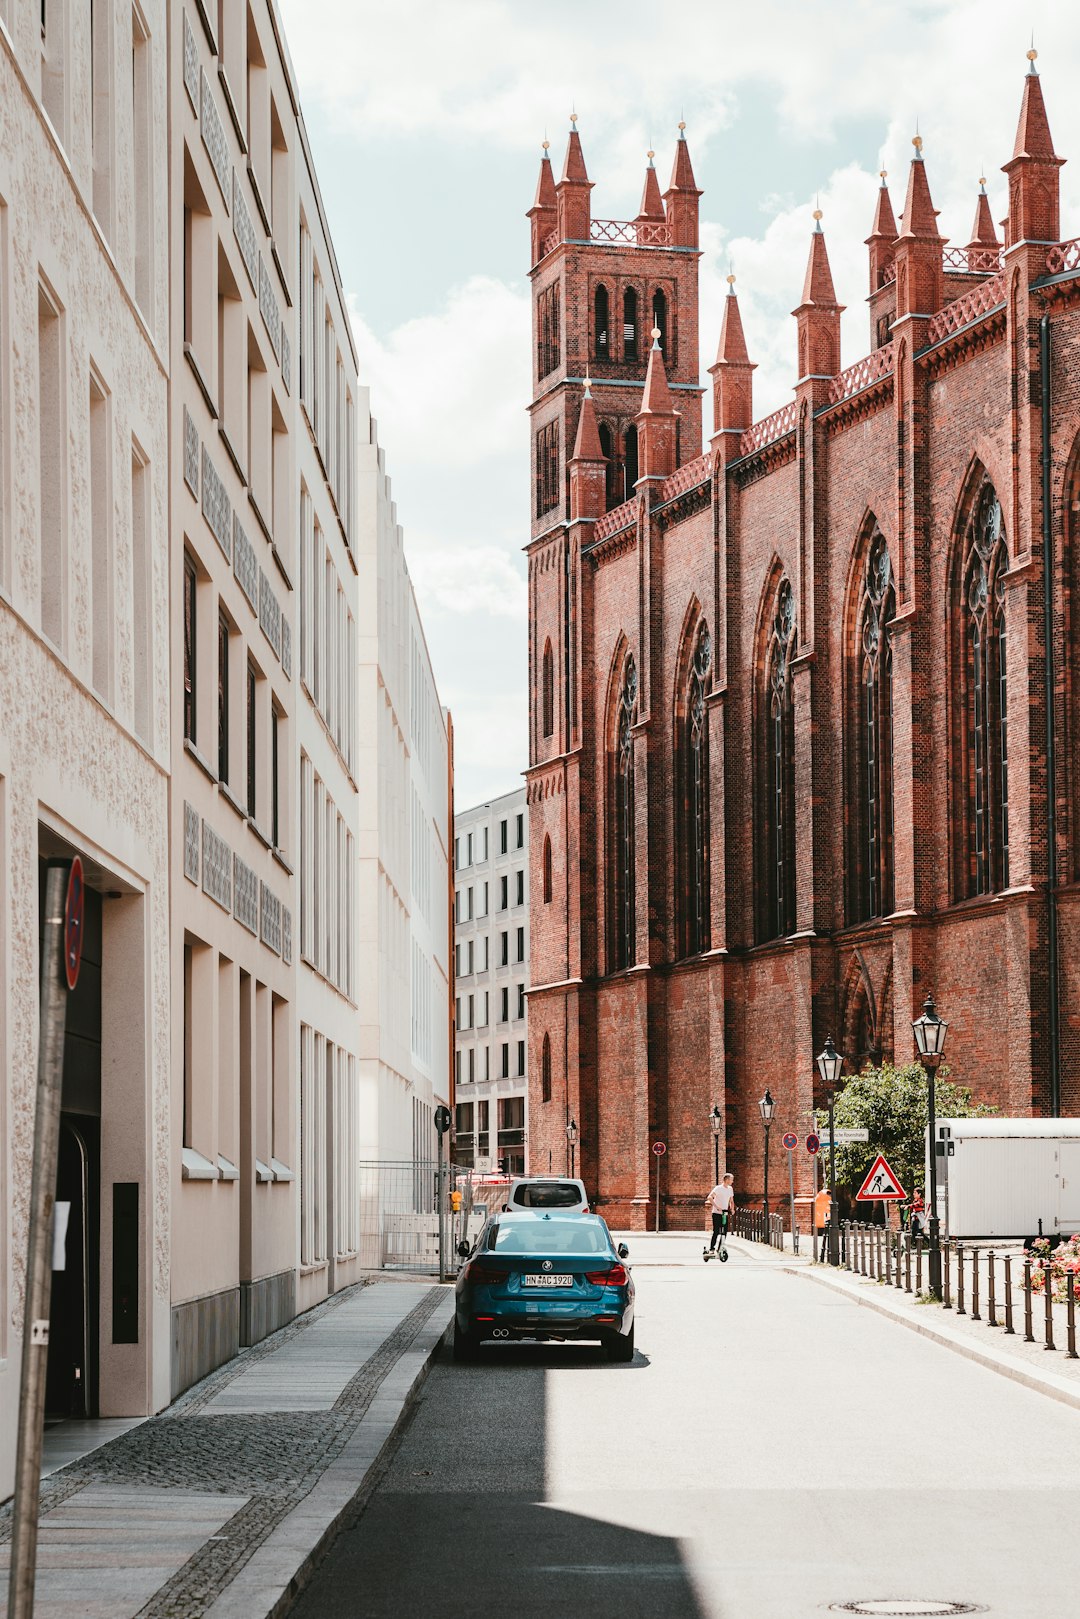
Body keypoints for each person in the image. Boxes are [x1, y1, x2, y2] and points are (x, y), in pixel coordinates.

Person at [704, 1172, 735, 1259]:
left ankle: (720, 1248)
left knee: (724, 1232)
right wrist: (716, 1207)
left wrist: (732, 1209)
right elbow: (710, 1197)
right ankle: (712, 1248)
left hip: (724, 1212)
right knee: (716, 1231)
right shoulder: (718, 1188)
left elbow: (731, 1200)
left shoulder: (730, 1189)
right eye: (731, 1179)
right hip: (717, 1213)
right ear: (727, 1180)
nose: (732, 1181)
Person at [815, 1185, 832, 1261]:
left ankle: (824, 1256)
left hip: (826, 1217)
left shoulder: (822, 1196)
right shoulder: (821, 1196)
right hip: (823, 1218)